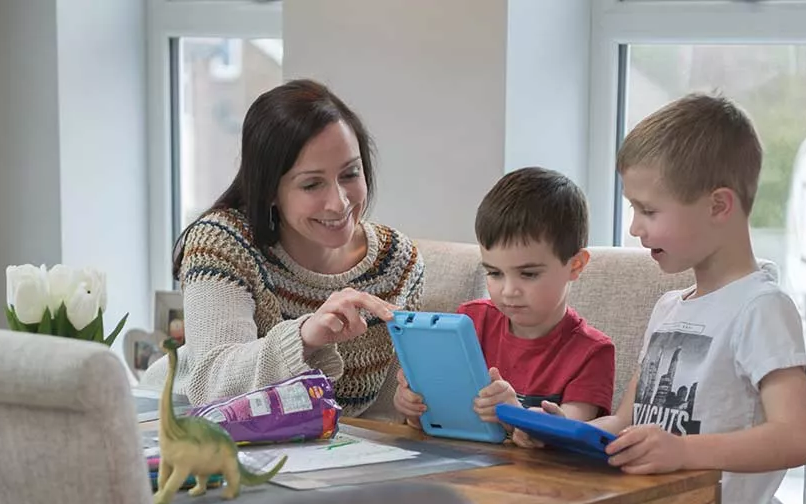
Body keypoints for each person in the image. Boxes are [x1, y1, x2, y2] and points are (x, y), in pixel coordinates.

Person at [516, 93, 806, 504]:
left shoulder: (762, 308)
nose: (634, 227)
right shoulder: (668, 309)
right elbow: (629, 421)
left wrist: (683, 452)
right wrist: (567, 436)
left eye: (648, 211)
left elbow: (795, 437)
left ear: (719, 205)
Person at [140, 79, 424, 417]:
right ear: (270, 189)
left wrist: (422, 403)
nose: (339, 202)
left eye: (350, 174)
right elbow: (210, 382)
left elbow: (393, 409)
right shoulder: (222, 243)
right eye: (312, 184)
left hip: (316, 452)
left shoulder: (397, 263)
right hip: (180, 430)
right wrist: (304, 337)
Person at [392, 167, 615, 429]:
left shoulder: (592, 352)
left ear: (575, 265)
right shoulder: (470, 322)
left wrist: (516, 414)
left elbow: (572, 431)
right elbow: (439, 419)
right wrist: (414, 407)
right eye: (495, 273)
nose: (508, 290)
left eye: (528, 274)